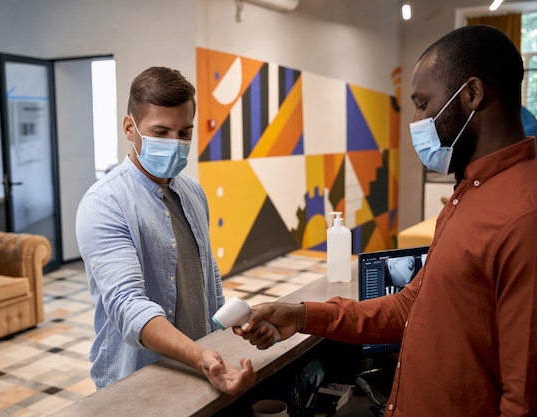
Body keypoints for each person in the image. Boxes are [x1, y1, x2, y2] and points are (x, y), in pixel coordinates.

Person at [235, 25, 537, 417]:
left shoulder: (524, 218)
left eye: (423, 104)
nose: (415, 120)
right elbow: (409, 306)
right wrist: (303, 315)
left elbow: (524, 400)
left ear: (472, 95)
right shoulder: (469, 190)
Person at [75, 66, 255, 394]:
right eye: (160, 132)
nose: (175, 144)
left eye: (184, 133)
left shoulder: (192, 191)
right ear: (130, 128)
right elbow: (128, 306)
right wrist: (200, 356)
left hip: (200, 368)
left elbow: (206, 276)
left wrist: (225, 333)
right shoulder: (104, 204)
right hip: (137, 379)